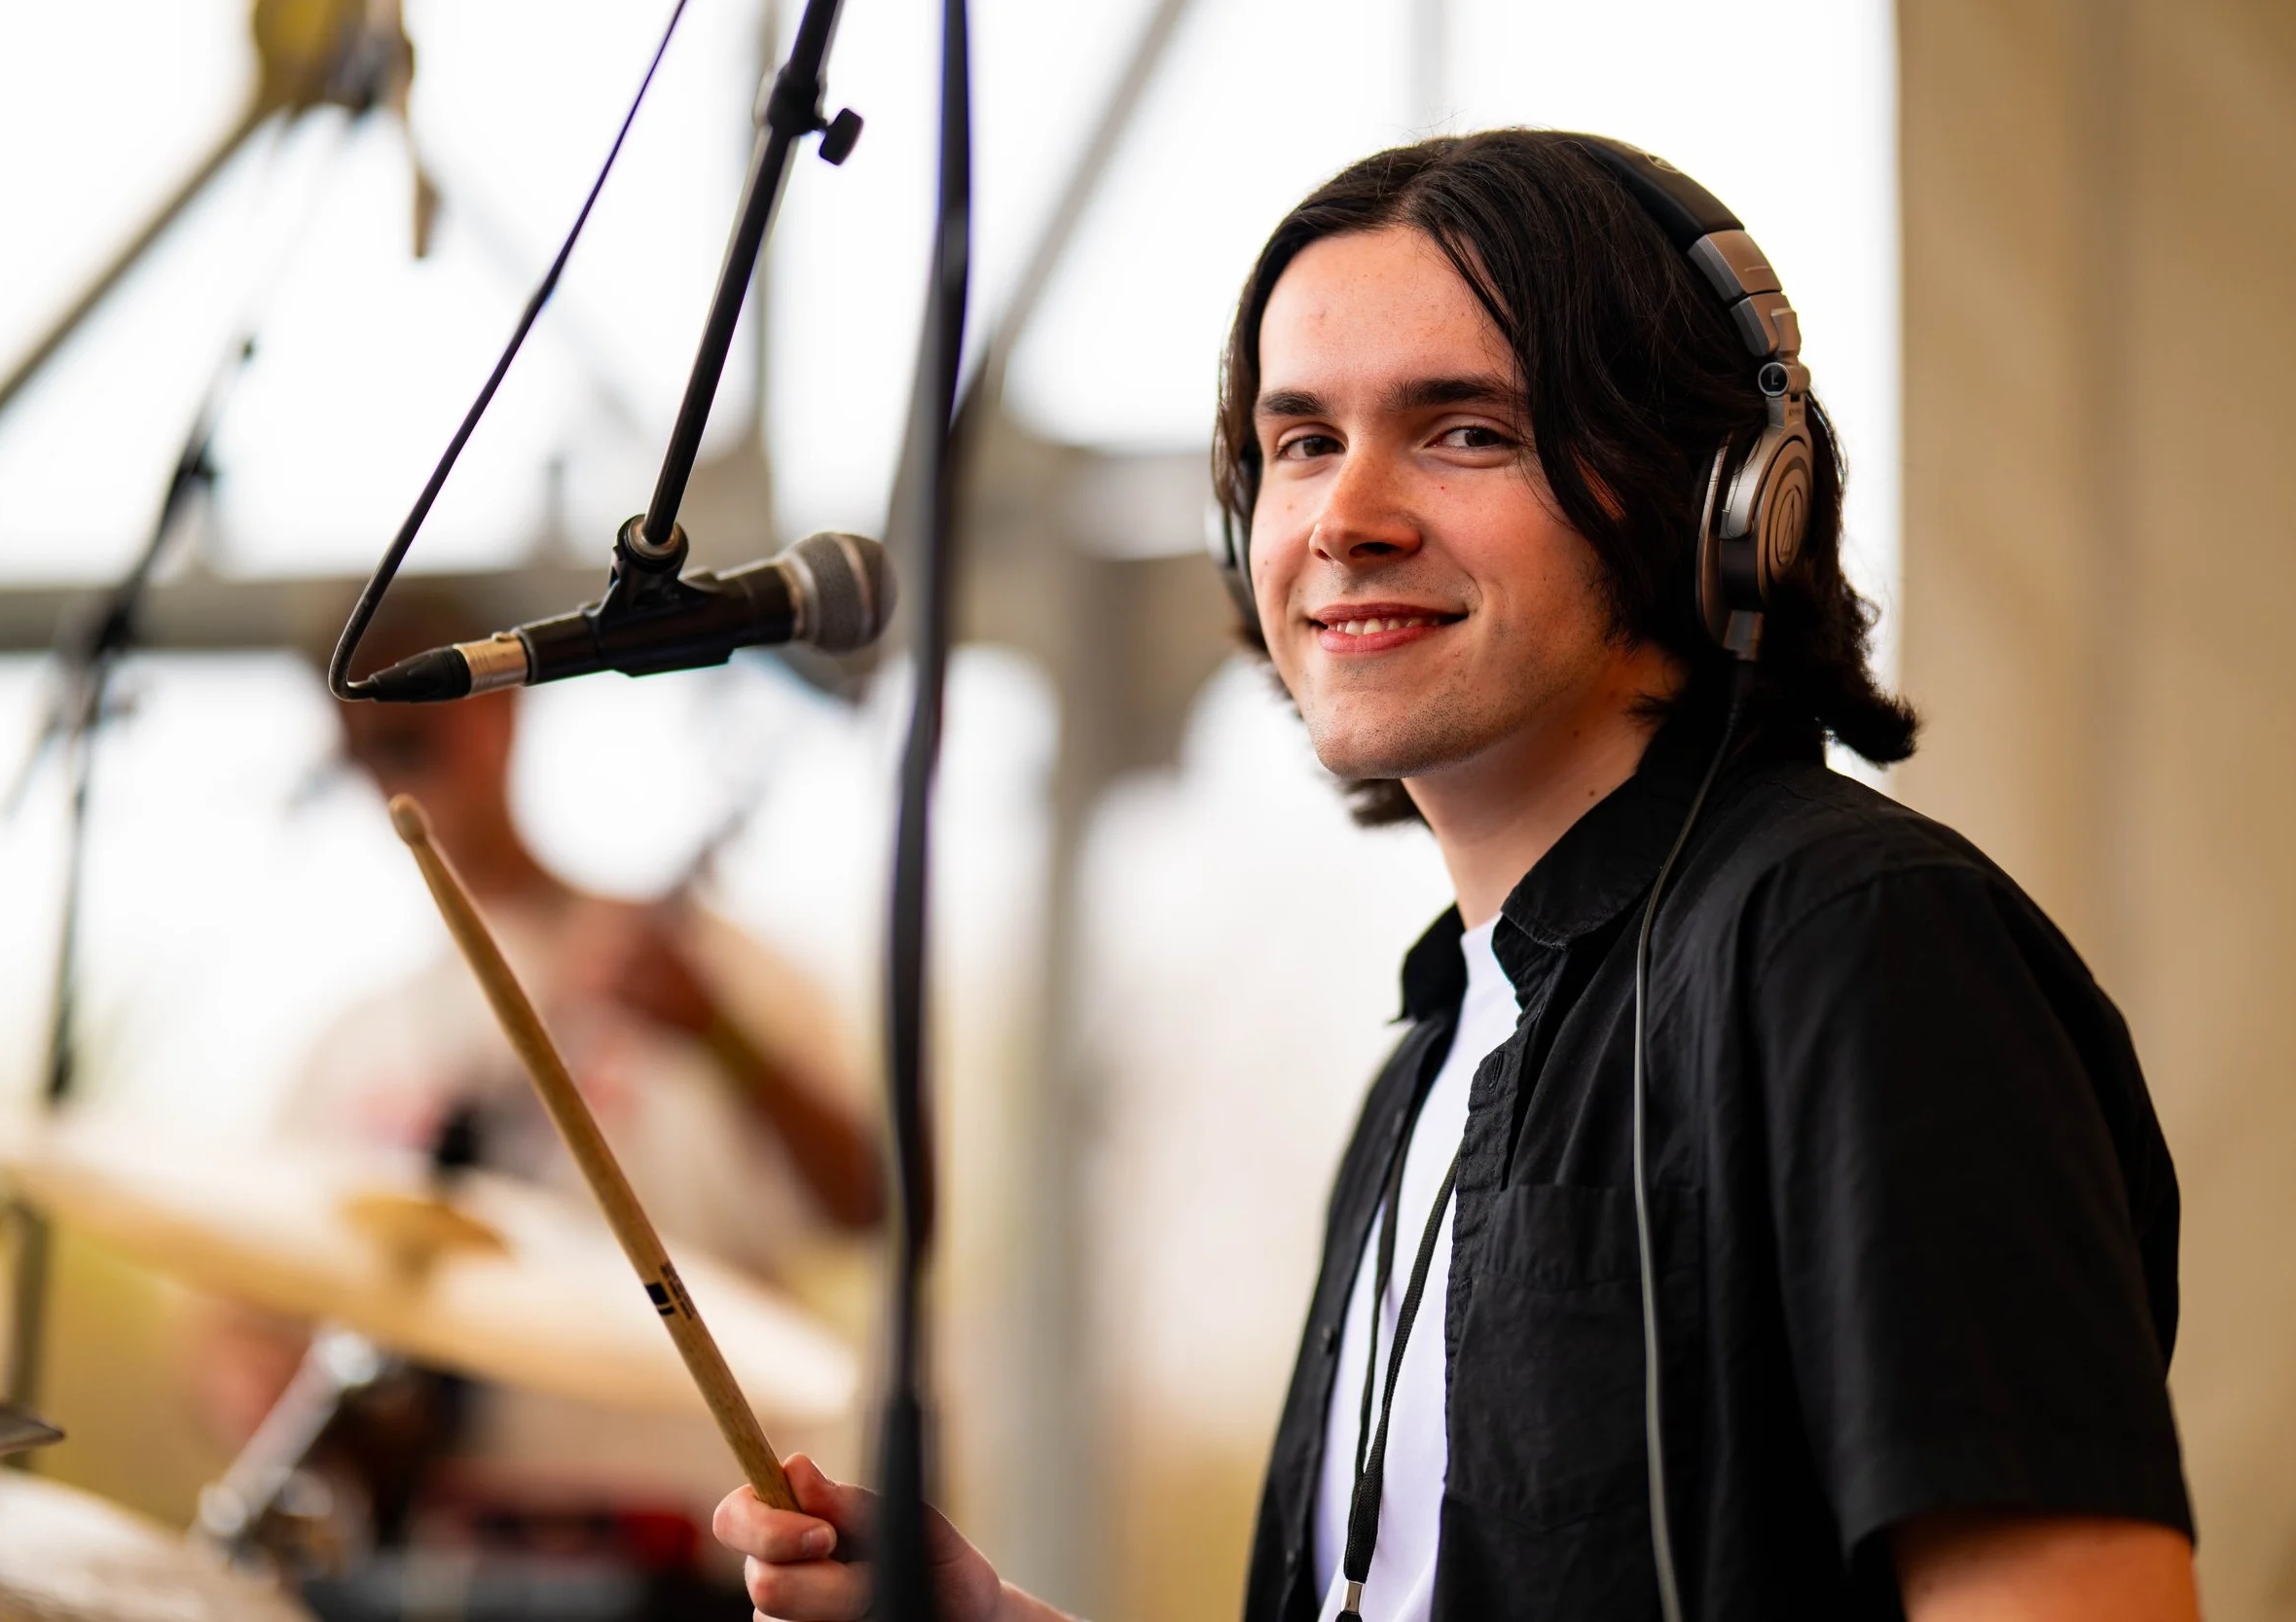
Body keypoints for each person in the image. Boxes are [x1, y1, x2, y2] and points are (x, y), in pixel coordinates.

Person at [711, 130, 2199, 1620]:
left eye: (1463, 430)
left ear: (1721, 502)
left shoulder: (1858, 943)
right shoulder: (1431, 1060)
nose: (1346, 517)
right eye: (1300, 443)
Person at [196, 587, 884, 1618]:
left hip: (684, 1561)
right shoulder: (351, 1045)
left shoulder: (710, 967)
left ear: (501, 711)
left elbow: (871, 1203)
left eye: (417, 728)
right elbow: (235, 1324)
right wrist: (300, 1419)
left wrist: (720, 1036)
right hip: (424, 1567)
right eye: (369, 742)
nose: (392, 760)